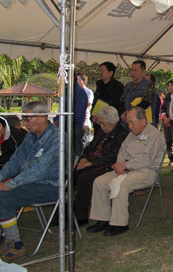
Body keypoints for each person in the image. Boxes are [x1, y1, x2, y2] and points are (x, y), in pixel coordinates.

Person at [87, 106, 165, 236]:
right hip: (126, 169)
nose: (129, 126)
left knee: (121, 184)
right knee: (99, 182)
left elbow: (147, 159)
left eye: (132, 122)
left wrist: (125, 165)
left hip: (146, 172)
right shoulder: (131, 135)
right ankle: (103, 219)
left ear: (143, 121)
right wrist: (119, 166)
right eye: (128, 123)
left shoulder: (154, 135)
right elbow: (122, 151)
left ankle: (120, 224)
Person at [0, 101, 59, 262]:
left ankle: (15, 245)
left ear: (42, 117)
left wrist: (9, 185)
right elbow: (15, 161)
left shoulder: (56, 139)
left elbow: (39, 171)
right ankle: (4, 238)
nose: (24, 122)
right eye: (24, 118)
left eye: (27, 118)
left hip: (51, 186)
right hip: (31, 182)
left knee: (4, 198)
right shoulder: (30, 136)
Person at [73, 106, 128, 224]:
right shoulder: (101, 132)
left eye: (103, 123)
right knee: (71, 174)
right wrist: (84, 158)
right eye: (101, 123)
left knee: (85, 178)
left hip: (107, 165)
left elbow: (114, 156)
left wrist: (91, 163)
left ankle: (80, 216)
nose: (101, 126)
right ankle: (65, 211)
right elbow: (89, 147)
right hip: (93, 162)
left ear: (112, 122)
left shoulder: (122, 134)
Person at [120, 60, 155, 125]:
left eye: (135, 70)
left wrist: (130, 114)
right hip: (125, 122)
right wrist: (123, 113)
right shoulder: (128, 85)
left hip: (140, 122)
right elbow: (122, 101)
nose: (132, 73)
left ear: (143, 72)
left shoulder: (149, 85)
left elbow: (146, 103)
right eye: (131, 70)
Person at [161, 80, 173, 166]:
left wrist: (171, 119)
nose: (170, 87)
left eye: (172, 85)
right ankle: (171, 158)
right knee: (168, 140)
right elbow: (163, 108)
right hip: (166, 121)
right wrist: (165, 118)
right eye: (169, 86)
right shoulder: (167, 96)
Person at [77, 73, 94, 140]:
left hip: (85, 118)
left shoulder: (88, 92)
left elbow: (88, 104)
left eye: (78, 79)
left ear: (83, 81)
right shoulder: (74, 92)